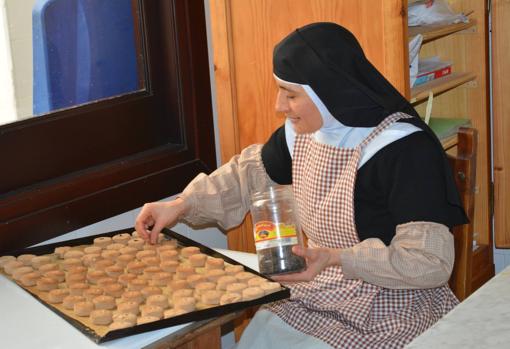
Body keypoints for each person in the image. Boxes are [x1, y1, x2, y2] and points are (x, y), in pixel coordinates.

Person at [135, 22, 467, 349]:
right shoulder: (303, 133)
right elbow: (247, 176)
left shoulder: (405, 149)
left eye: (290, 94)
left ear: (329, 92)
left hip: (394, 303)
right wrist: (181, 205)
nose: (280, 105)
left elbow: (428, 263)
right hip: (319, 289)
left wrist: (337, 259)